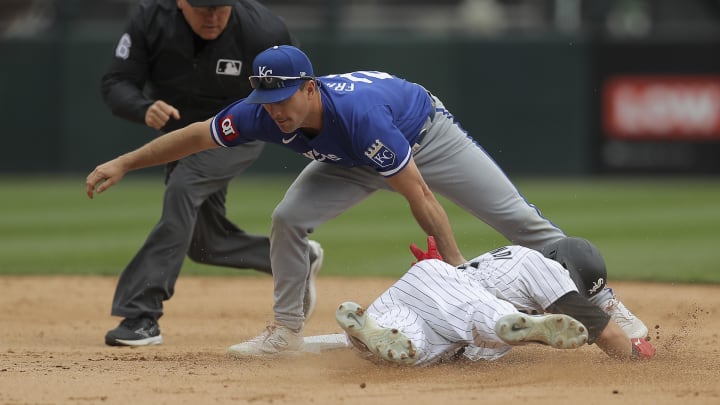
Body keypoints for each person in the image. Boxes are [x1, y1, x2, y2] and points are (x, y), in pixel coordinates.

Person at [86, 44, 646, 356]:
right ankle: (284, 331)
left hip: (423, 135)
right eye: (266, 99)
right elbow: (197, 134)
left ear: (309, 88)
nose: (274, 109)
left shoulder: (357, 115)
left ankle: (604, 301)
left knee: (518, 220)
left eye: (284, 97)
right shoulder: (261, 113)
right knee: (286, 219)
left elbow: (421, 197)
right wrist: (123, 162)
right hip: (346, 160)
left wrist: (454, 271)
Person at [98, 0, 326, 347]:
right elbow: (116, 83)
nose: (213, 16)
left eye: (221, 7)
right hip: (180, 137)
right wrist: (142, 108)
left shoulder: (262, 28)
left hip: (239, 131)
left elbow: (299, 88)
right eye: (203, 8)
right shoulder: (151, 20)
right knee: (205, 244)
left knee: (182, 189)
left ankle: (141, 313)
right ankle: (298, 258)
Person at [334, 237, 656, 366]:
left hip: (428, 291)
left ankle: (370, 331)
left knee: (408, 349)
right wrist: (637, 355)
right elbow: (609, 336)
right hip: (459, 300)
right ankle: (513, 325)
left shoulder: (506, 264)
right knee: (488, 317)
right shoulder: (542, 265)